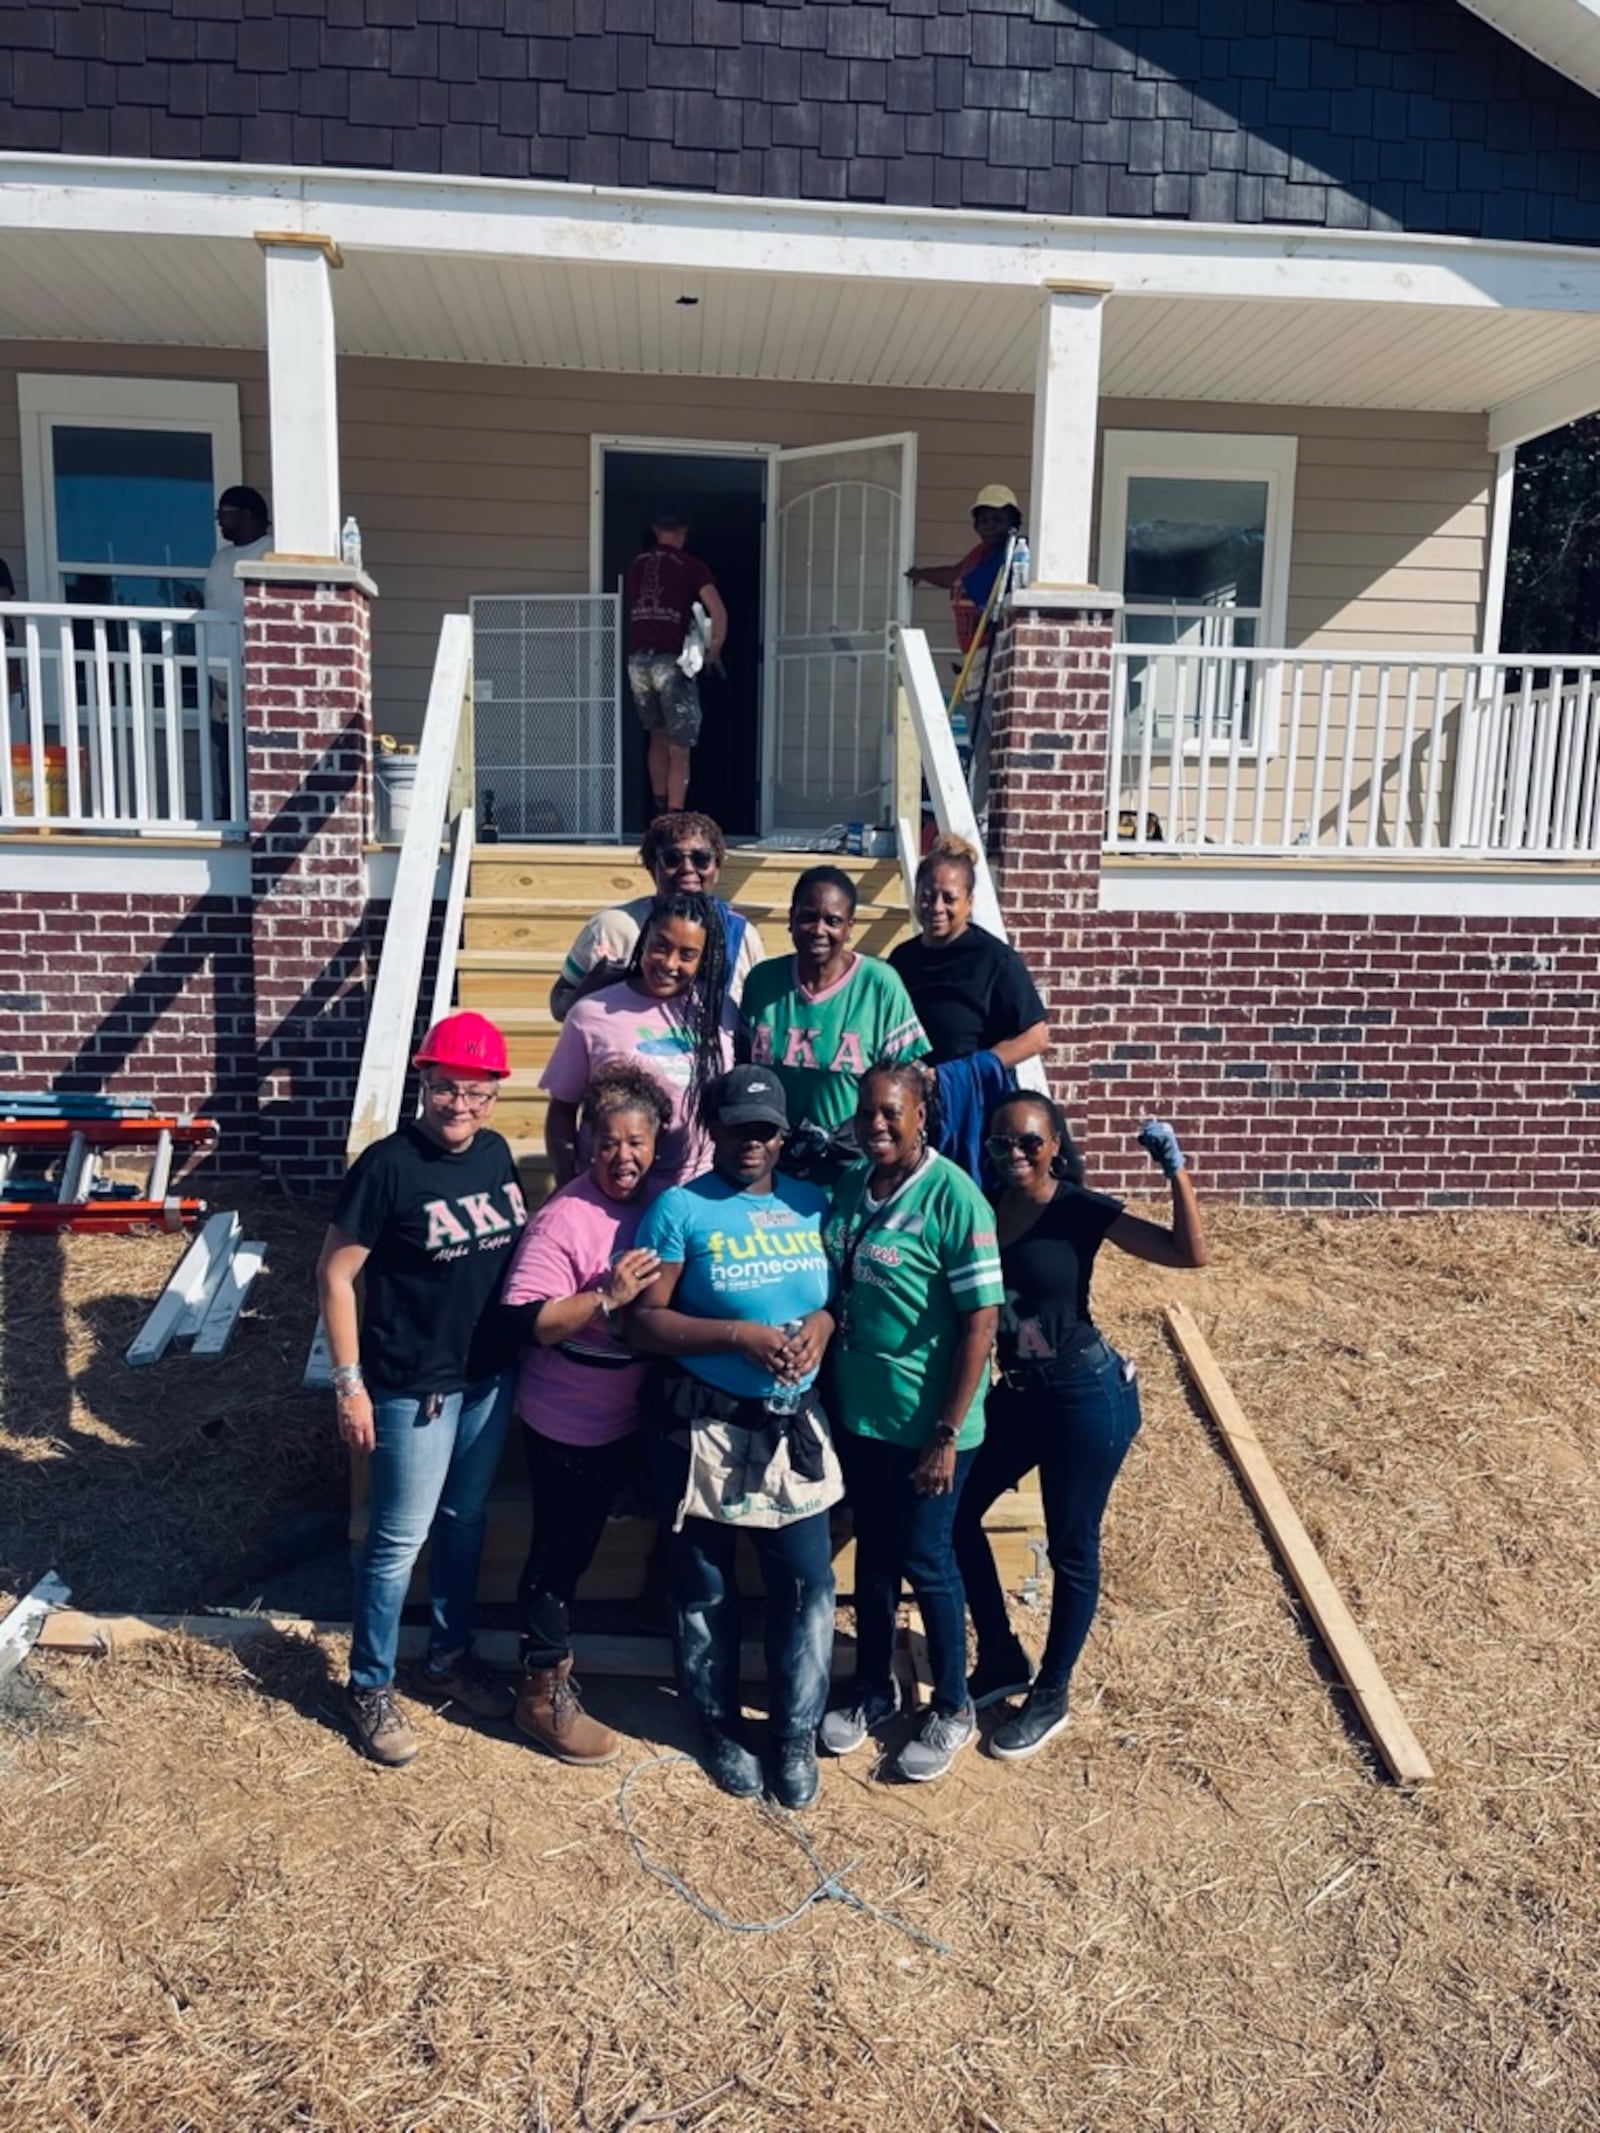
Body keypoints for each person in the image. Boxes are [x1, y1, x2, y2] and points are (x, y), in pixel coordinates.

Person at [954, 1101, 1209, 1761]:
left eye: (1029, 1140)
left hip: (1084, 1395)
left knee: (1072, 1546)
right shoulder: (984, 1204)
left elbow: (1189, 1253)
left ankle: (1051, 1692)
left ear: (1055, 1145)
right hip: (1021, 1395)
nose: (1015, 1149)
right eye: (1001, 1139)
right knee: (954, 1512)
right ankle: (1003, 1656)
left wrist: (1174, 1171)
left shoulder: (1079, 1207)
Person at [316, 1011, 528, 1768]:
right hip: (413, 1389)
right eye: (445, 1088)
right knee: (396, 1541)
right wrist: (350, 1384)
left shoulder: (498, 1154)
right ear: (423, 1083)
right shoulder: (388, 1167)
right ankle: (369, 1681)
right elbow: (336, 1276)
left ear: (496, 1093)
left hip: (486, 1383)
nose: (460, 1105)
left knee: (465, 1520)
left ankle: (446, 1656)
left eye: (476, 1091)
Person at [629, 1066, 838, 1810]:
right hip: (707, 1427)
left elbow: (829, 1302)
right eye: (737, 1128)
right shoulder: (680, 1209)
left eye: (765, 1130)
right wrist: (739, 1335)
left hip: (793, 1426)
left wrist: (818, 1325)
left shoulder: (811, 1204)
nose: (751, 1143)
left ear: (783, 1136)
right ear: (712, 1129)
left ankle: (792, 1731)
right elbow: (644, 1321)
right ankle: (715, 1722)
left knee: (806, 1583)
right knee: (706, 1585)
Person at [819, 1062, 1003, 1784]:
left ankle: (954, 1705)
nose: (878, 1125)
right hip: (861, 1413)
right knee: (873, 1559)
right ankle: (873, 1686)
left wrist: (947, 1433)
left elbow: (980, 1323)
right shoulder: (850, 1183)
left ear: (922, 1113)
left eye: (893, 1113)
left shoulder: (955, 1198)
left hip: (929, 1424)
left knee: (928, 1560)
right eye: (867, 1113)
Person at [499, 1062, 671, 1767]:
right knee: (560, 1551)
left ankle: (657, 1617)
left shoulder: (662, 1202)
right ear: (585, 1143)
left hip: (636, 1412)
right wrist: (604, 1295)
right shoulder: (563, 1218)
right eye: (608, 1142)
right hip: (570, 1417)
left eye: (637, 1142)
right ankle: (541, 1689)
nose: (623, 1156)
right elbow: (529, 1321)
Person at [740, 865, 929, 1182]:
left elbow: (905, 1085)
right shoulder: (763, 981)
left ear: (850, 926)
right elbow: (742, 1067)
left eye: (832, 920)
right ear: (791, 919)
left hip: (852, 1169)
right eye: (807, 916)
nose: (818, 929)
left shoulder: (879, 984)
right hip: (773, 1167)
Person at [540, 889, 735, 1188]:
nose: (669, 963)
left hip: (696, 1194)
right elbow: (561, 1112)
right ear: (644, 942)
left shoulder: (722, 1014)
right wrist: (569, 1183)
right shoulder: (590, 1014)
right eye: (660, 946)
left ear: (704, 959)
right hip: (614, 1193)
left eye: (687, 955)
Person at [889, 832, 1049, 1178]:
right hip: (914, 1104)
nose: (936, 908)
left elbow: (1036, 1037)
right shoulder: (902, 959)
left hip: (973, 1108)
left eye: (950, 898)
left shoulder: (995, 959)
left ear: (969, 902)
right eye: (928, 896)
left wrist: (961, 1073)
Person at [549, 811, 766, 1021]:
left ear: (717, 868)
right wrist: (593, 986)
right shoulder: (612, 927)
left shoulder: (743, 935)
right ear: (652, 866)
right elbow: (559, 1006)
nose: (687, 868)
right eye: (672, 858)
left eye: (701, 859)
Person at [626, 506, 728, 816]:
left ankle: (658, 811)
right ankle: (674, 814)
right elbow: (718, 611)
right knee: (679, 744)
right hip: (672, 662)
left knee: (656, 734)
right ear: (683, 532)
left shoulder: (638, 564)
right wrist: (714, 649)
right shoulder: (691, 566)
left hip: (638, 663)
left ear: (656, 531)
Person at [905, 483, 1024, 662]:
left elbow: (978, 590)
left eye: (998, 520)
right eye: (983, 520)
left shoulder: (1010, 556)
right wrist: (921, 574)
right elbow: (954, 575)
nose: (989, 526)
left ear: (1013, 524)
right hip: (972, 655)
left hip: (992, 654)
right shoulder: (980, 553)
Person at [202, 486, 273, 621]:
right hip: (216, 640)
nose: (219, 520)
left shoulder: (271, 551)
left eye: (223, 513)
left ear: (246, 514)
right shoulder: (220, 557)